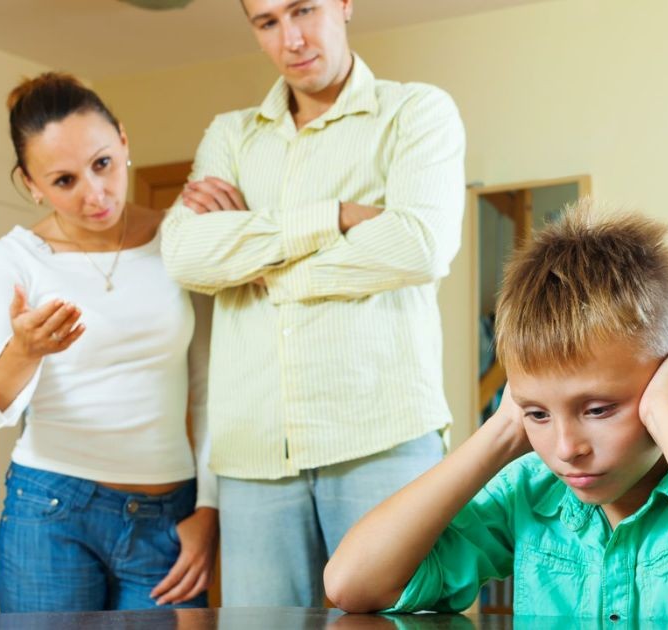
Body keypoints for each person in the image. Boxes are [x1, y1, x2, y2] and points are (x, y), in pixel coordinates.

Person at [324, 199, 668, 625]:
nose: (567, 449)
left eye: (597, 409)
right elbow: (351, 583)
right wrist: (504, 428)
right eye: (539, 414)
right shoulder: (531, 494)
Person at [159, 0, 465, 607]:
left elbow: (418, 246)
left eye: (303, 10)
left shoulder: (416, 111)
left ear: (345, 5)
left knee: (407, 621)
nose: (291, 38)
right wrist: (336, 217)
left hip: (382, 433)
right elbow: (187, 257)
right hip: (253, 452)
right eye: (266, 22)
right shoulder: (230, 134)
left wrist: (259, 265)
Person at [0, 73, 217, 612]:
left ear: (123, 140)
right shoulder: (15, 260)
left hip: (170, 517)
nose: (96, 195)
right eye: (65, 181)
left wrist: (209, 510)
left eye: (103, 164)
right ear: (31, 185)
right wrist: (25, 352)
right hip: (50, 511)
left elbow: (211, 387)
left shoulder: (180, 239)